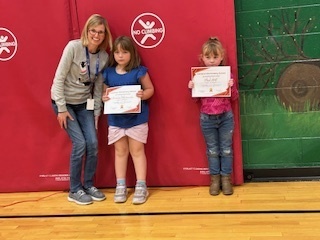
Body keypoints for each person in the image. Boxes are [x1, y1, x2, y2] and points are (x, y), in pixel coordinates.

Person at [51, 14, 113, 205]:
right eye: (93, 30)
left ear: (105, 35)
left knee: (93, 144)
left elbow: (97, 87)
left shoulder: (103, 57)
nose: (96, 35)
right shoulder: (73, 47)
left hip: (84, 105)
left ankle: (88, 185)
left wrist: (96, 114)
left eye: (100, 32)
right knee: (80, 145)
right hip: (65, 103)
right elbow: (58, 79)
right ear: (87, 30)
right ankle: (74, 189)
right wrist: (61, 108)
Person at [102, 36, 154, 204]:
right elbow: (104, 93)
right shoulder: (108, 72)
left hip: (137, 119)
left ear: (131, 53)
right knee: (120, 152)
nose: (120, 56)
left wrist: (143, 94)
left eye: (124, 52)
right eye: (117, 52)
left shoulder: (139, 71)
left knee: (137, 151)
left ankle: (141, 185)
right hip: (116, 120)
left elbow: (150, 89)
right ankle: (121, 185)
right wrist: (105, 98)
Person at [188, 37, 239, 196]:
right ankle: (214, 180)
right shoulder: (199, 76)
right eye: (208, 57)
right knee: (212, 150)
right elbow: (196, 99)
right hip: (207, 119)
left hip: (226, 118)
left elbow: (234, 98)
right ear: (202, 58)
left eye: (215, 57)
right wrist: (192, 88)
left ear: (221, 57)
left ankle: (226, 179)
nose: (211, 61)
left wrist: (232, 87)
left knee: (226, 150)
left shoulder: (227, 74)